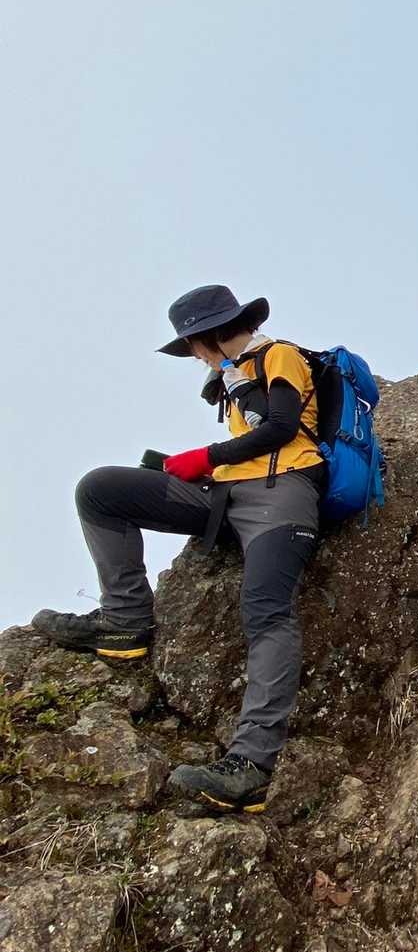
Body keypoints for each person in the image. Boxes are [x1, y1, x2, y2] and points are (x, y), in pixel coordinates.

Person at [32, 285, 324, 814]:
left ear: (205, 336)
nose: (192, 356)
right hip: (225, 494)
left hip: (281, 497)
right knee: (100, 490)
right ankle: (124, 623)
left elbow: (282, 427)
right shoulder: (234, 375)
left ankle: (251, 766)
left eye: (191, 345)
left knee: (266, 611)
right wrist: (197, 465)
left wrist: (206, 456)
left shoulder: (279, 354)